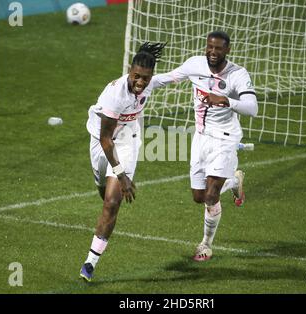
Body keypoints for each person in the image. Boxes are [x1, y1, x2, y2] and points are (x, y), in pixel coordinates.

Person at [151, 30, 258, 261]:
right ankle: (233, 180)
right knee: (199, 196)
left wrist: (227, 99)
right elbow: (167, 77)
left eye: (218, 48)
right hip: (200, 138)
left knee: (211, 196)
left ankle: (205, 245)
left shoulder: (237, 74)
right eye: (209, 47)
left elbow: (252, 108)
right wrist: (137, 82)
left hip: (225, 138)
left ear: (227, 50)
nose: (212, 52)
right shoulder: (195, 64)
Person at [80, 42, 166, 282]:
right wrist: (121, 176)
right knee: (103, 188)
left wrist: (197, 71)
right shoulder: (115, 95)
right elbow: (106, 140)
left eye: (145, 78)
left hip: (128, 139)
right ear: (130, 70)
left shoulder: (150, 84)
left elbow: (172, 77)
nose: (140, 82)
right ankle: (105, 181)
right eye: (136, 76)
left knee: (112, 201)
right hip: (102, 141)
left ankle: (90, 263)